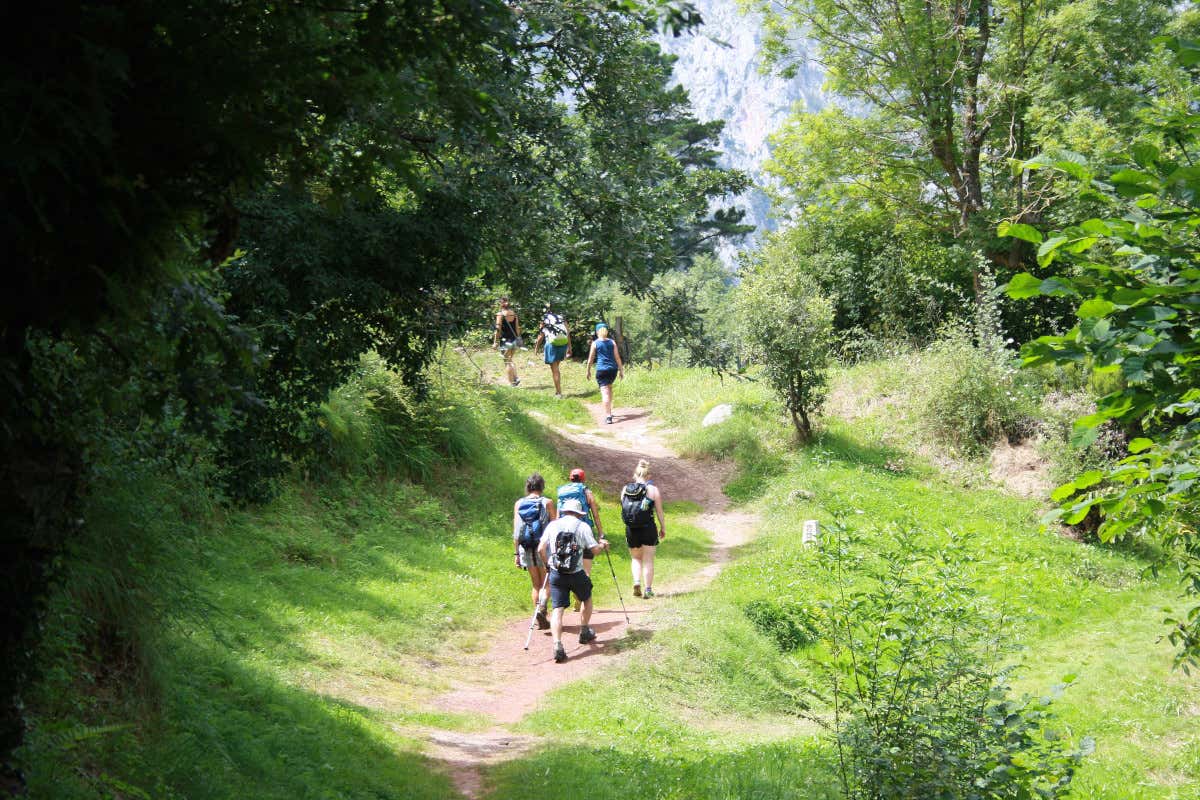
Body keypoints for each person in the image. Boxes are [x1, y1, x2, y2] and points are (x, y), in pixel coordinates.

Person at [538, 498, 610, 663]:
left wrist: (547, 565)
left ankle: (557, 645)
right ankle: (584, 631)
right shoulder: (583, 526)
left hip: (556, 573)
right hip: (576, 572)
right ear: (579, 513)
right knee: (587, 598)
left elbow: (540, 548)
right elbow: (594, 550)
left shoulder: (552, 525)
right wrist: (603, 545)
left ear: (563, 511)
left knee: (558, 609)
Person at [556, 468, 606, 612]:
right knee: (586, 569)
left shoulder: (562, 492)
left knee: (569, 565)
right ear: (583, 479)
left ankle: (575, 597)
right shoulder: (586, 492)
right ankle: (582, 599)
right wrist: (601, 534)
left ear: (570, 478)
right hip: (584, 530)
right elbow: (595, 515)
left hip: (566, 533)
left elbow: (558, 514)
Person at [514, 473, 556, 629]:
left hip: (525, 547)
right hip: (543, 548)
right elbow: (555, 527)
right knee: (547, 581)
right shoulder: (548, 502)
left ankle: (539, 614)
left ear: (528, 487)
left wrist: (516, 554)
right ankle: (543, 607)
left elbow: (516, 531)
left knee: (535, 584)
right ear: (542, 486)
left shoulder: (519, 503)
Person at [621, 459, 665, 598]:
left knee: (635, 558)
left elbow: (624, 507)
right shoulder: (652, 490)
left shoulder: (625, 489)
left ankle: (636, 582)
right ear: (648, 476)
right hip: (648, 527)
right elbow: (659, 511)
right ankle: (648, 590)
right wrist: (663, 527)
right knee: (648, 559)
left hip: (631, 528)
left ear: (635, 474)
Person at [585, 322, 624, 424]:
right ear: (606, 331)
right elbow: (617, 358)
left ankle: (608, 416)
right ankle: (609, 410)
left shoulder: (595, 343)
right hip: (612, 370)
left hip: (601, 370)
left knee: (604, 392)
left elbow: (590, 359)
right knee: (609, 388)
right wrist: (621, 370)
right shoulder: (612, 342)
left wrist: (588, 370)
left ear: (597, 332)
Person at [531, 305, 571, 398]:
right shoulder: (561, 318)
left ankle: (558, 393)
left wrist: (536, 347)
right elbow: (568, 332)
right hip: (563, 344)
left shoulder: (544, 319)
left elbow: (541, 335)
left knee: (555, 370)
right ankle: (558, 391)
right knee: (556, 367)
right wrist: (570, 347)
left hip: (552, 345)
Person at [492, 296, 522, 387]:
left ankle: (512, 383)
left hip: (505, 341)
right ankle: (516, 378)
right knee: (510, 359)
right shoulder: (514, 314)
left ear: (501, 304)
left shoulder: (500, 314)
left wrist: (495, 341)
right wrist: (519, 338)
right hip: (514, 340)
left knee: (507, 361)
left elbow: (498, 329)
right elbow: (517, 328)